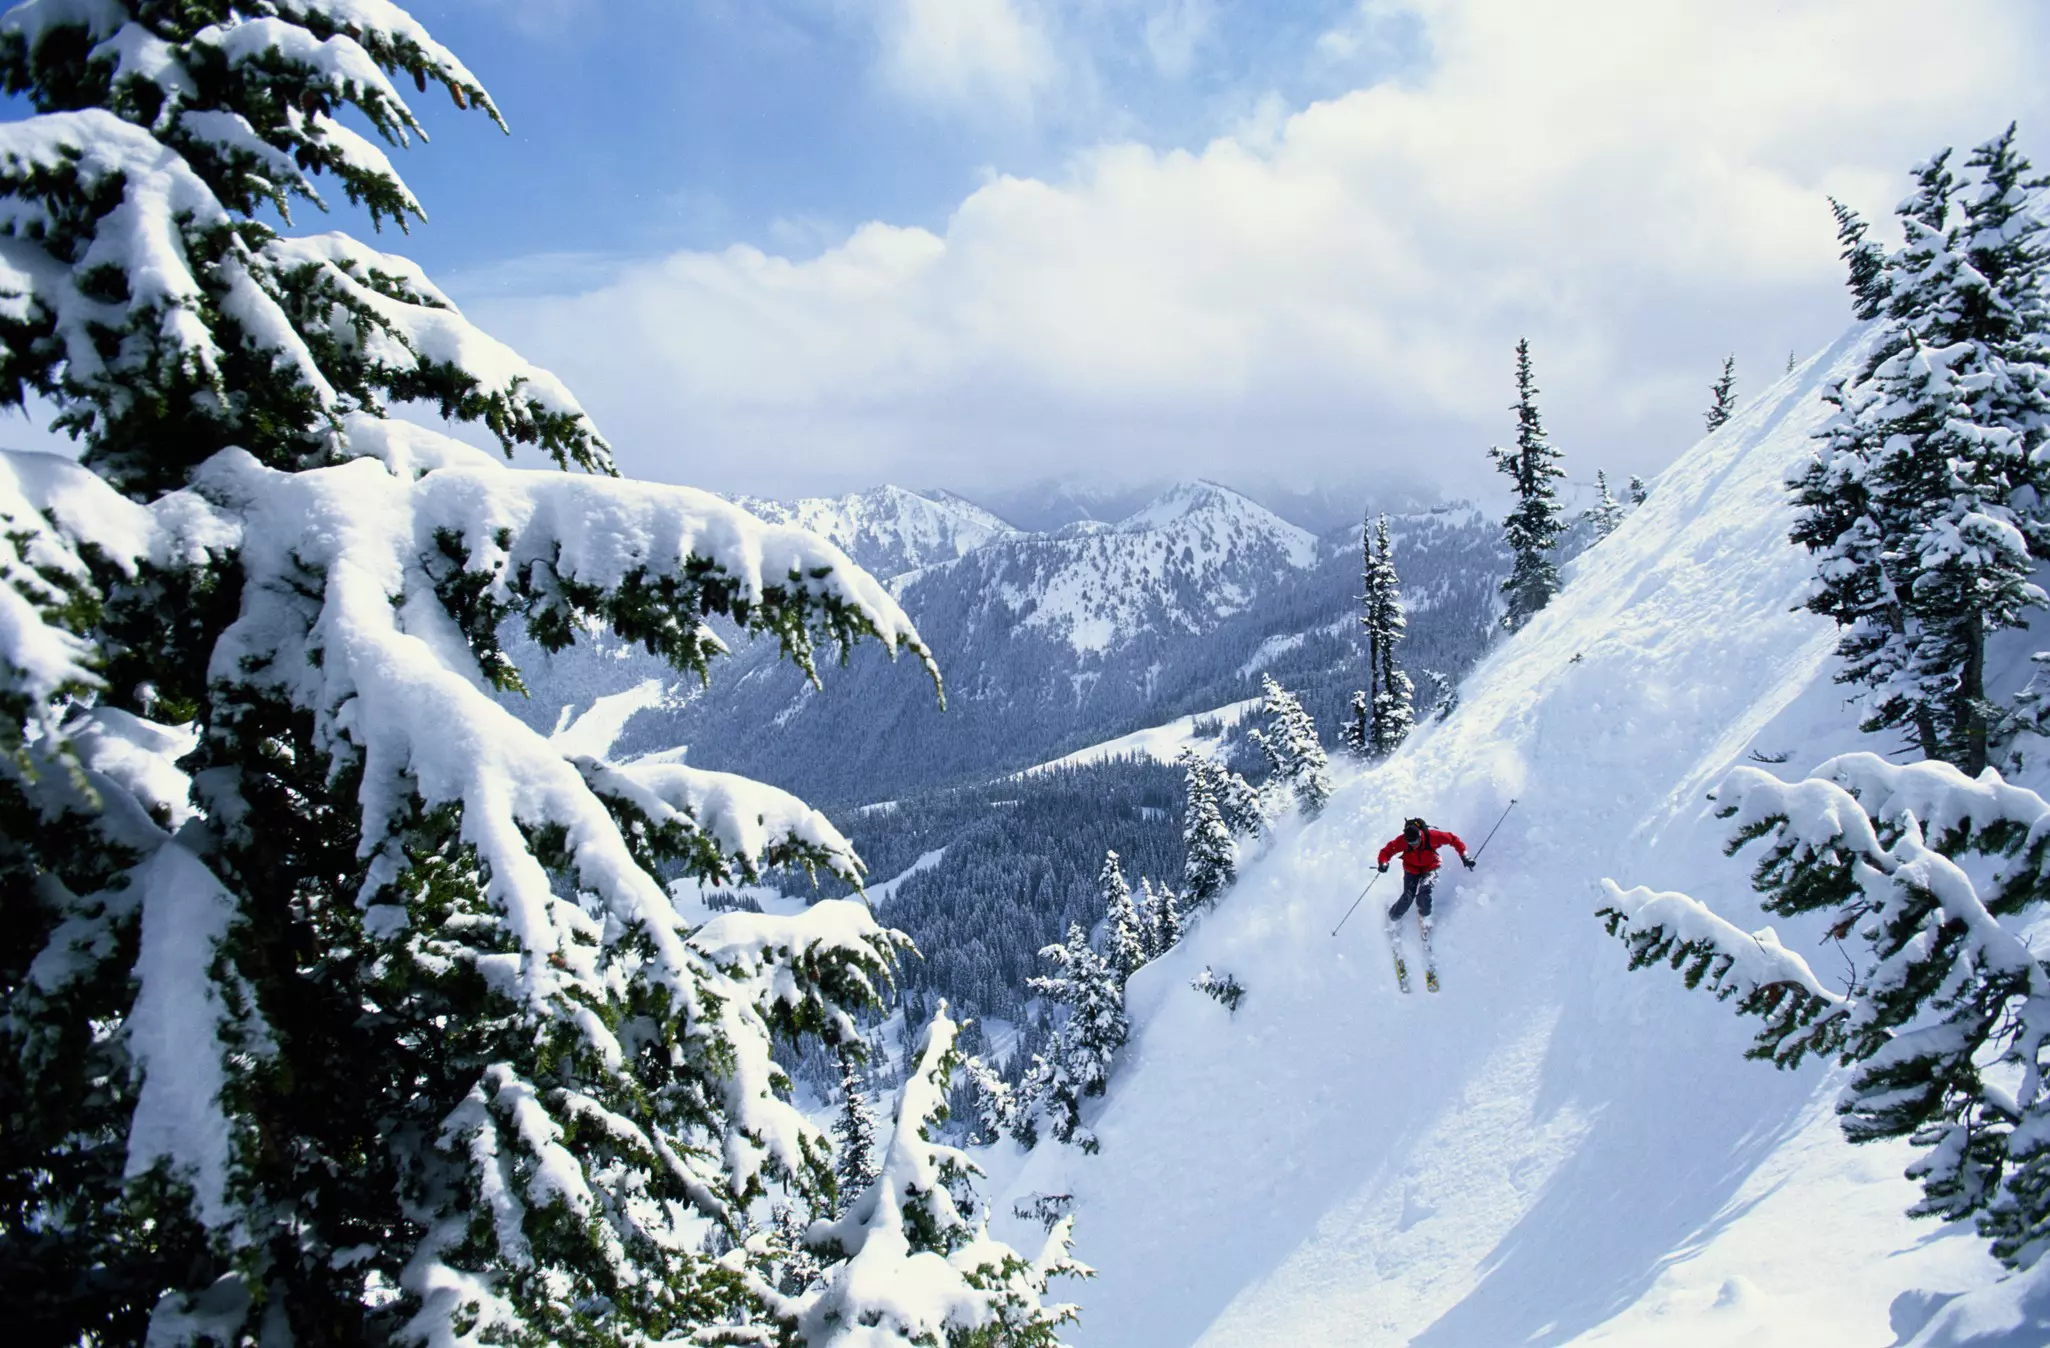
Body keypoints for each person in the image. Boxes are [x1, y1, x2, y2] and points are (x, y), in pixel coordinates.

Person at [1376, 816, 1473, 923]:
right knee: (1407, 898)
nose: (1414, 845)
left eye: (1416, 841)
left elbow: (1453, 839)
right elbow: (1386, 852)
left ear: (1420, 835)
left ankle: (1425, 917)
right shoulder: (1402, 841)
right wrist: (1383, 863)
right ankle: (1392, 918)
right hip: (1411, 868)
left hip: (1431, 866)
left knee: (1424, 893)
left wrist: (1464, 856)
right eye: (1411, 843)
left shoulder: (1431, 836)